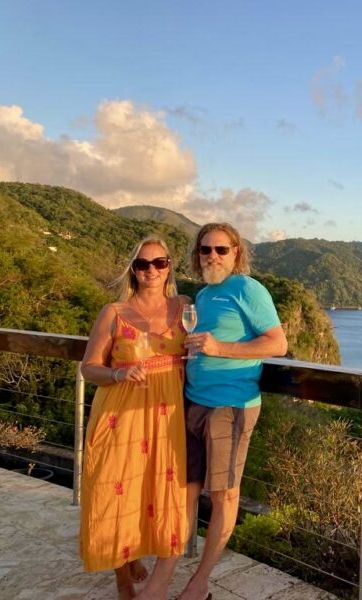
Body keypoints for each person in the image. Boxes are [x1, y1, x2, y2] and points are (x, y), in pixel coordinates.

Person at [177, 223, 287, 600]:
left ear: (236, 252)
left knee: (224, 495)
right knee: (185, 489)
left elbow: (277, 343)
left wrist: (219, 349)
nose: (212, 256)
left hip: (231, 405)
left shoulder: (247, 288)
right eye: (206, 249)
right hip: (193, 401)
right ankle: (171, 566)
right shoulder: (203, 295)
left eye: (221, 250)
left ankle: (200, 583)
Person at [80, 236, 190, 600]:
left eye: (159, 262)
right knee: (117, 490)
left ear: (169, 266)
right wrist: (117, 374)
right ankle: (122, 577)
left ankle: (135, 553)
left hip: (167, 417)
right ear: (133, 269)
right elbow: (89, 368)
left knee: (152, 488)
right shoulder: (113, 311)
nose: (151, 270)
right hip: (122, 413)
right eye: (143, 264)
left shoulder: (185, 307)